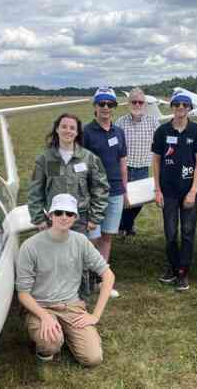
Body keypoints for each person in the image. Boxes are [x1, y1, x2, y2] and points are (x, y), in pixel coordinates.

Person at [16, 194, 115, 367]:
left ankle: (67, 335)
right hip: (41, 306)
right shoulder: (30, 246)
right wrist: (44, 316)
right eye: (59, 212)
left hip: (71, 307)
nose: (64, 217)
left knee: (93, 359)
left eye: (69, 214)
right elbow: (23, 294)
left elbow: (108, 275)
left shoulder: (81, 241)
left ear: (75, 217)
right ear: (50, 215)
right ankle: (47, 347)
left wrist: (95, 316)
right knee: (51, 344)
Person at [152, 91, 197, 291]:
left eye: (184, 105)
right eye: (177, 105)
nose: (180, 108)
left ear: (190, 108)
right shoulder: (162, 131)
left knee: (188, 232)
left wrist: (193, 190)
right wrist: (157, 189)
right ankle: (172, 267)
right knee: (171, 232)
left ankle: (183, 272)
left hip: (189, 190)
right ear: (172, 107)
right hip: (168, 191)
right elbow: (156, 160)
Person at [28, 113, 109, 235]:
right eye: (64, 127)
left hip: (80, 219)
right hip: (54, 217)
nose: (68, 131)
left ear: (77, 133)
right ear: (57, 129)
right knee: (55, 252)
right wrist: (39, 219)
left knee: (77, 252)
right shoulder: (44, 159)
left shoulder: (89, 158)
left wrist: (94, 218)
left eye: (72, 128)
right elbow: (35, 191)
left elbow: (100, 188)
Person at [83, 87, 128, 298]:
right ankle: (86, 280)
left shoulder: (118, 132)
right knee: (92, 237)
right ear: (95, 106)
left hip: (116, 191)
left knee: (108, 236)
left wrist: (125, 190)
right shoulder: (86, 132)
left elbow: (122, 162)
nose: (106, 108)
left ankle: (102, 280)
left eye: (110, 104)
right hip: (94, 194)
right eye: (102, 104)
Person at [115, 87, 159, 236]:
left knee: (138, 202)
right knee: (123, 200)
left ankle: (125, 225)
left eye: (140, 102)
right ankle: (124, 226)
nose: (137, 105)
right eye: (134, 102)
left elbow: (160, 144)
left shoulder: (153, 123)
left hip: (142, 168)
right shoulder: (120, 122)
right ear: (128, 103)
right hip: (124, 168)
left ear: (145, 105)